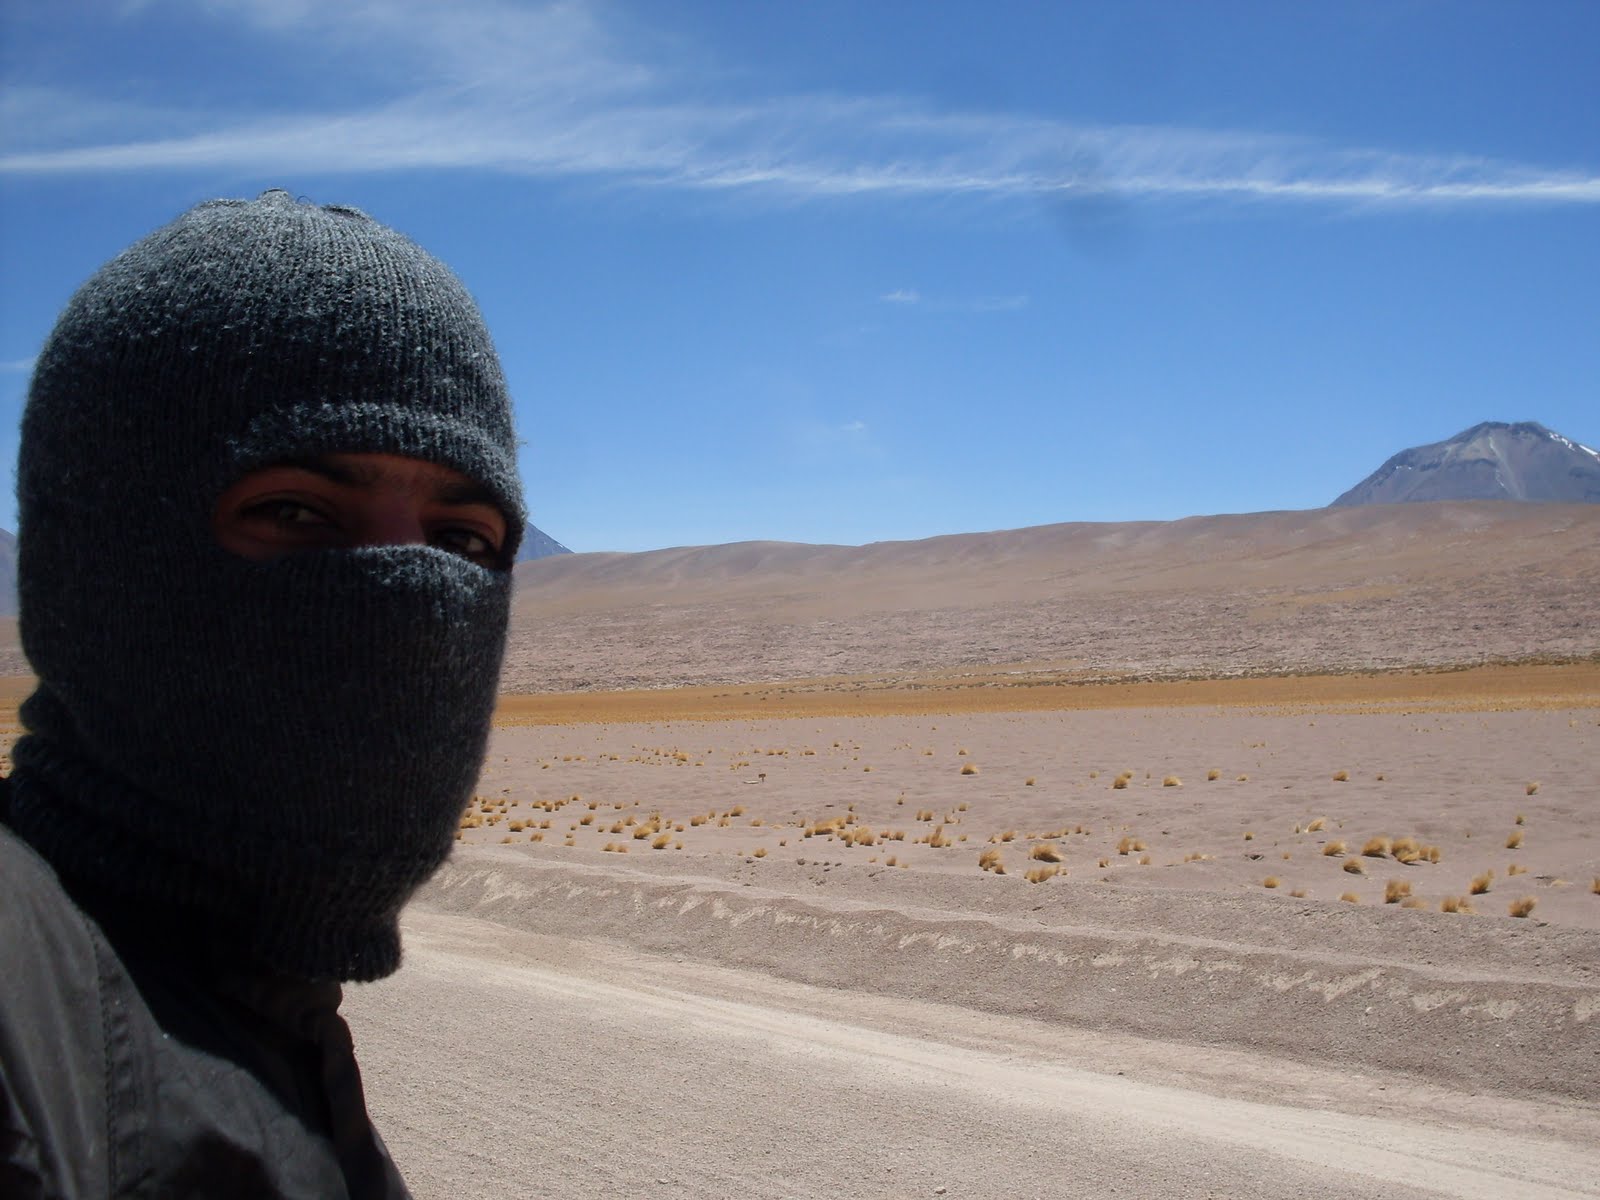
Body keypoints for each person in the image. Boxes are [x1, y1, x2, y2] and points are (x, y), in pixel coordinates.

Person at [0, 189, 525, 1197]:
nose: (407, 602)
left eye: (462, 539)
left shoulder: (275, 1027)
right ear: (92, 566)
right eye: (293, 511)